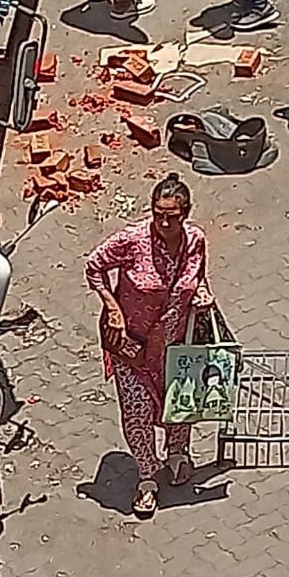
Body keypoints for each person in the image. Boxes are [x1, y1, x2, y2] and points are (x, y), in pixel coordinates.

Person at [85, 173, 214, 518]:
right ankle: (146, 478)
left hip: (176, 343)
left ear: (185, 214)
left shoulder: (195, 240)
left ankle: (177, 453)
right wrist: (112, 307)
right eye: (158, 213)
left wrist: (200, 293)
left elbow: (195, 275)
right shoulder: (131, 239)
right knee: (137, 412)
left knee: (179, 404)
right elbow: (94, 267)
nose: (164, 222)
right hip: (131, 344)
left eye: (172, 216)